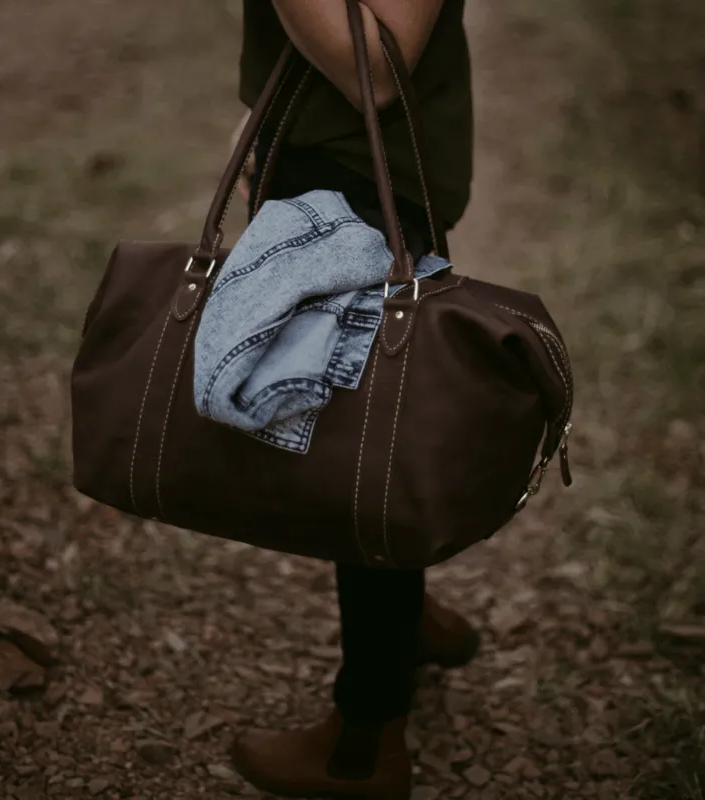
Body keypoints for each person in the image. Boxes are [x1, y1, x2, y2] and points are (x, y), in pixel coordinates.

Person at [230, 2, 477, 798]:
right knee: (361, 417)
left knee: (359, 431)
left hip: (362, 178)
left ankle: (365, 742)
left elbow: (375, 63)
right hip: (331, 163)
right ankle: (406, 620)